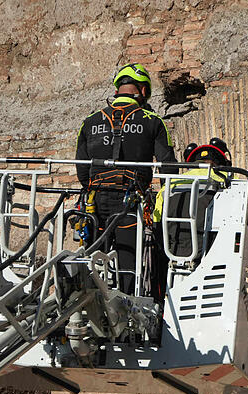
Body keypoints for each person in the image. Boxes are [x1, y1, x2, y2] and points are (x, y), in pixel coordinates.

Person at [75, 63, 177, 294]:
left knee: (91, 264)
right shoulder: (153, 121)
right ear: (143, 90)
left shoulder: (90, 121)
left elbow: (82, 171)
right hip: (130, 203)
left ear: (117, 89)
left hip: (93, 204)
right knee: (128, 269)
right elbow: (169, 171)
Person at [152, 138, 232, 261]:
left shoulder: (169, 184)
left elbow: (157, 226)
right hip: (215, 256)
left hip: (173, 254)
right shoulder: (228, 181)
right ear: (221, 164)